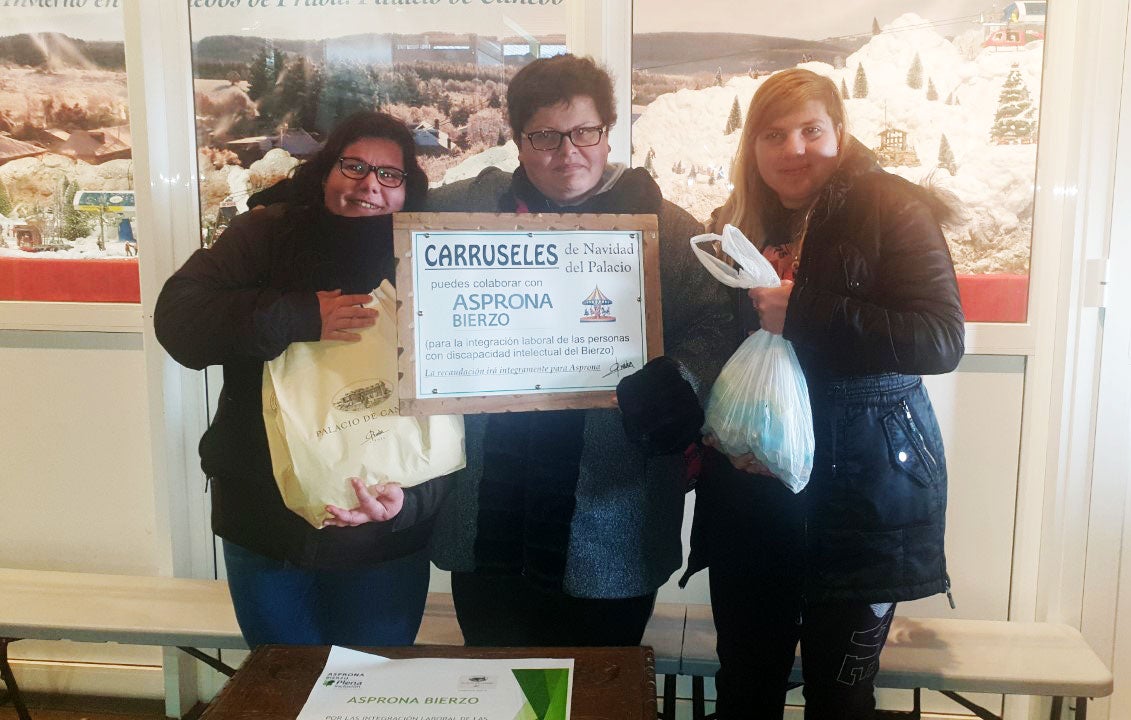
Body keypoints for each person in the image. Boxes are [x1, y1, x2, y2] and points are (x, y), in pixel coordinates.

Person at [426, 54, 735, 647]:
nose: (568, 153)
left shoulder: (662, 226)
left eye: (585, 132)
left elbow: (716, 322)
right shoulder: (467, 212)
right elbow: (381, 206)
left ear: (607, 133)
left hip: (609, 515)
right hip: (491, 509)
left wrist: (680, 379)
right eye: (545, 136)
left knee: (602, 680)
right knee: (496, 677)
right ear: (519, 141)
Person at [684, 68, 965, 718]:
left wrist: (805, 312)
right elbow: (717, 343)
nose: (794, 149)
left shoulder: (893, 207)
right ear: (752, 146)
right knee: (745, 690)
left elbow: (940, 339)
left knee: (840, 700)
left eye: (810, 130)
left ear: (838, 131)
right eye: (773, 135)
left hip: (859, 497)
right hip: (753, 494)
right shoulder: (734, 223)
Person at [154, 111, 451, 647]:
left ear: (409, 189)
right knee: (284, 683)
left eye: (390, 174)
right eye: (354, 166)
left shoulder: (428, 255)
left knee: (373, 683)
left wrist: (410, 505)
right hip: (266, 526)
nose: (370, 184)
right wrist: (298, 317)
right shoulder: (264, 234)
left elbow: (458, 399)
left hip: (383, 533)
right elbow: (178, 321)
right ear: (325, 169)